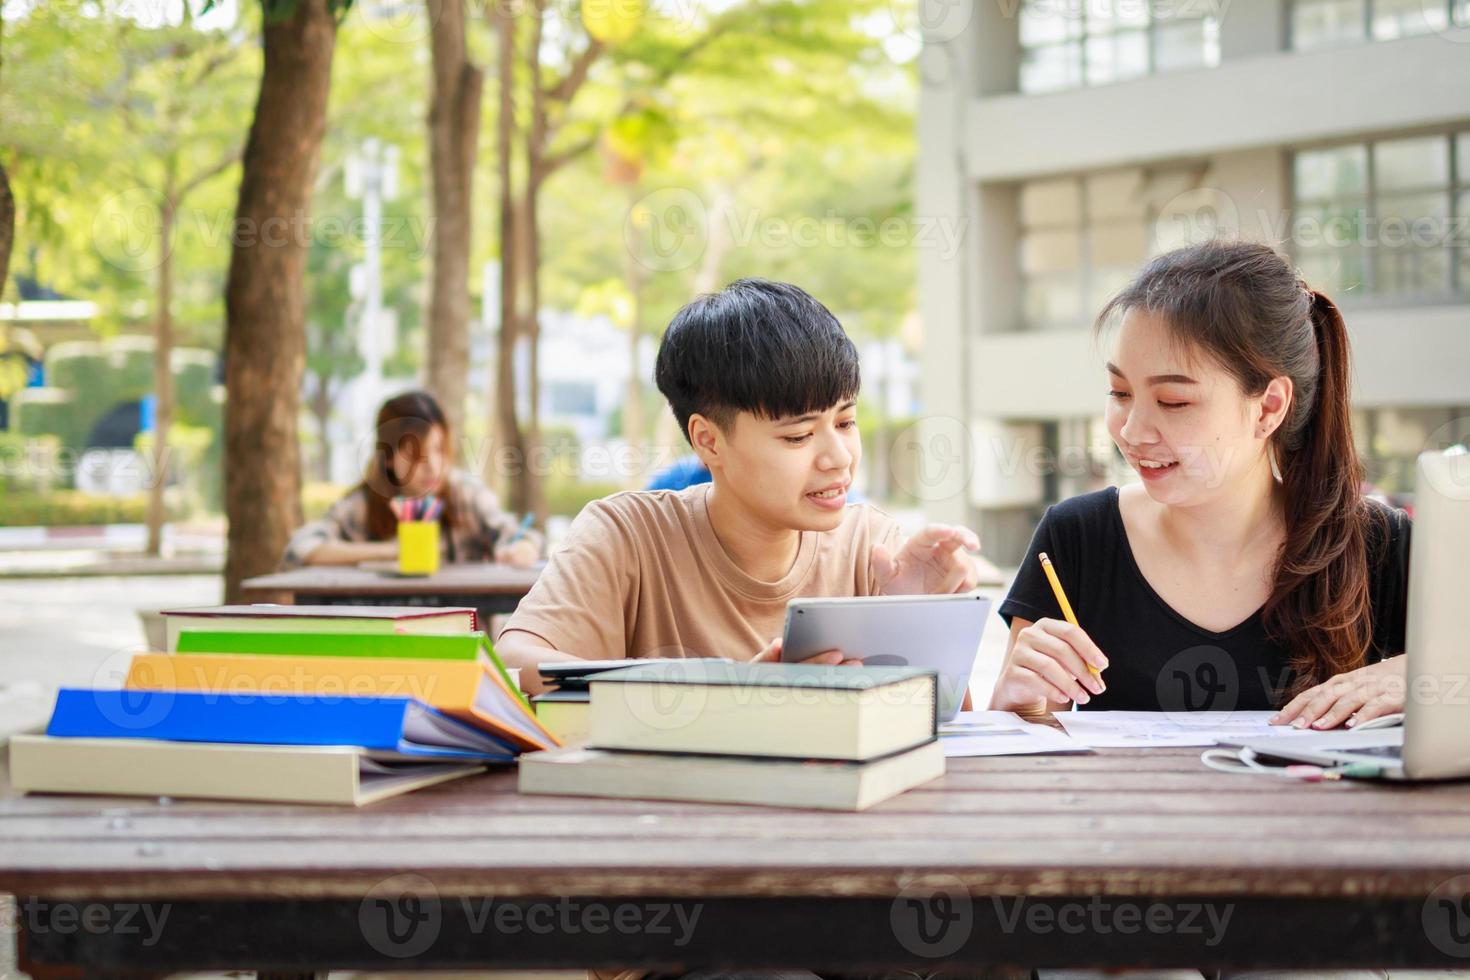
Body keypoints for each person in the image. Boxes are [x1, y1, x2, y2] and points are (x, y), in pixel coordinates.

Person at [990, 240, 1411, 732]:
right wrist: (1017, 701)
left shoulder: (1378, 546)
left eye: (1173, 401)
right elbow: (1027, 744)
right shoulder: (1077, 538)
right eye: (1120, 393)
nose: (1131, 431)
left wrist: (1423, 678)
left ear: (1269, 407)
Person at [495, 278, 983, 696]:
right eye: (798, 435)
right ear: (709, 441)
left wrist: (920, 624)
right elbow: (514, 660)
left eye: (846, 422)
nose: (838, 457)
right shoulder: (627, 535)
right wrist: (727, 689)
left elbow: (948, 730)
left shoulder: (871, 547)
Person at [280, 390, 542, 569]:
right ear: (389, 456)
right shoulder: (362, 506)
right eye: (415, 453)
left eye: (439, 450)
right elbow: (301, 548)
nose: (432, 466)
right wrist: (394, 550)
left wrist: (521, 549)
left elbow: (521, 535)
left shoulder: (465, 495)